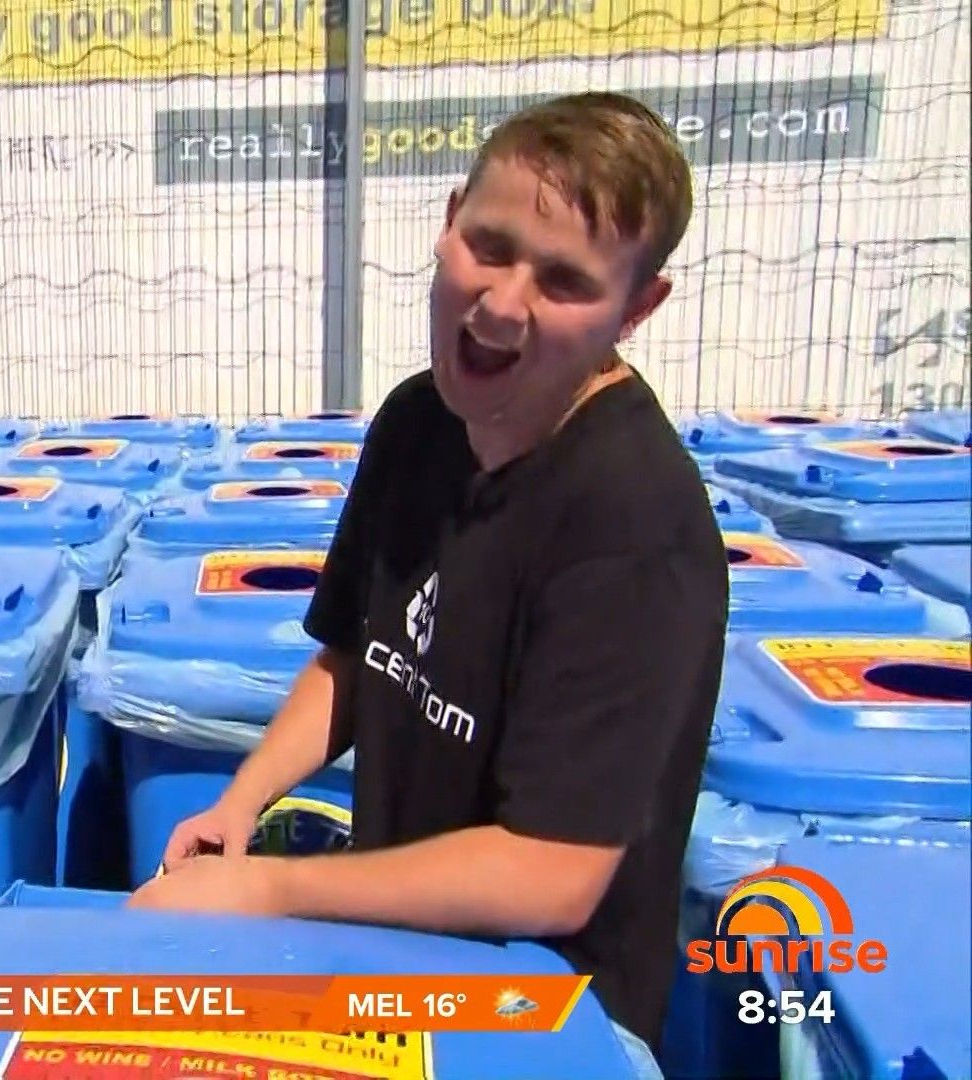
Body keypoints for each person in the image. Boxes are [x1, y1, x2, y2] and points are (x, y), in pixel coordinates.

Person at [130, 92, 729, 1076]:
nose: (502, 305)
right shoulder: (418, 423)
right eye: (490, 247)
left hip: (550, 1012)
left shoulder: (635, 526)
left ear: (637, 307)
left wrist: (269, 892)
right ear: (449, 222)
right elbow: (357, 660)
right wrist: (243, 802)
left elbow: (552, 872)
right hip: (390, 963)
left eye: (565, 282)